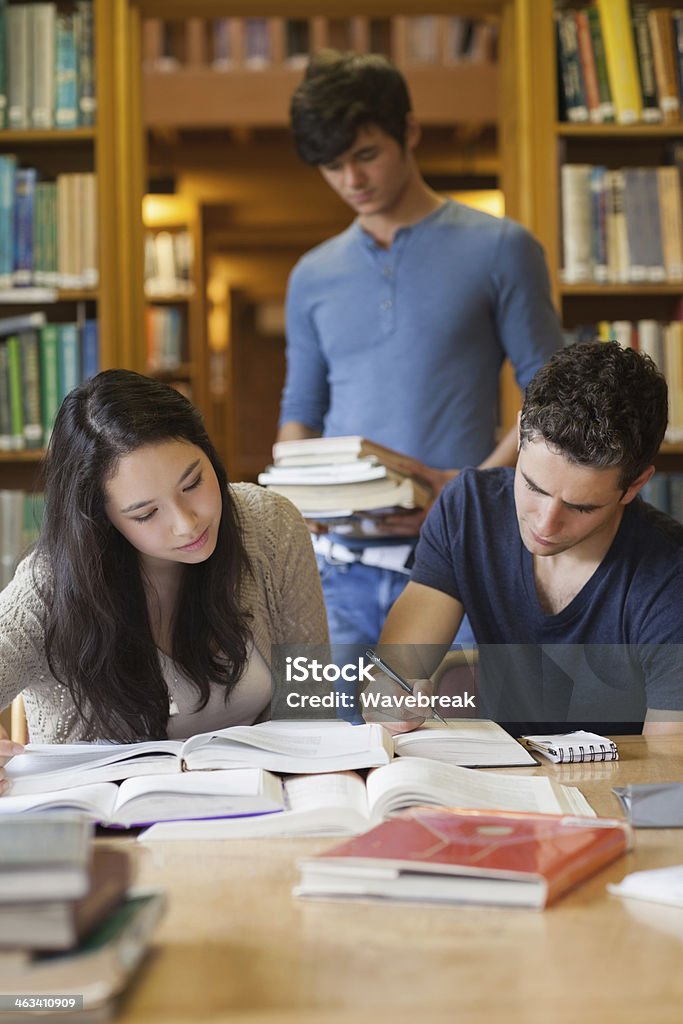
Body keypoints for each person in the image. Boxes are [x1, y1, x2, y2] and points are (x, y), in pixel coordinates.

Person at [278, 49, 563, 646]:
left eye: (365, 155)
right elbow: (300, 410)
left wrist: (461, 496)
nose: (351, 181)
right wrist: (293, 500)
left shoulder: (502, 248)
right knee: (326, 735)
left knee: (462, 734)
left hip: (461, 560)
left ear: (409, 130)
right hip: (337, 569)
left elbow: (552, 396)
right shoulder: (312, 273)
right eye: (332, 166)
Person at [0, 370, 328, 791]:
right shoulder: (50, 587)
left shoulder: (271, 526)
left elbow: (310, 703)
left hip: (262, 807)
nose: (186, 524)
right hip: (110, 831)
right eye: (145, 513)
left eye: (193, 483)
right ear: (100, 520)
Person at [372, 342, 683, 736]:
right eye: (533, 487)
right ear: (519, 433)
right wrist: (390, 703)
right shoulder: (469, 510)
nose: (546, 525)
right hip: (500, 783)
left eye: (581, 507)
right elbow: (388, 679)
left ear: (635, 485)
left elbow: (666, 773)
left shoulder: (671, 577)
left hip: (612, 792)